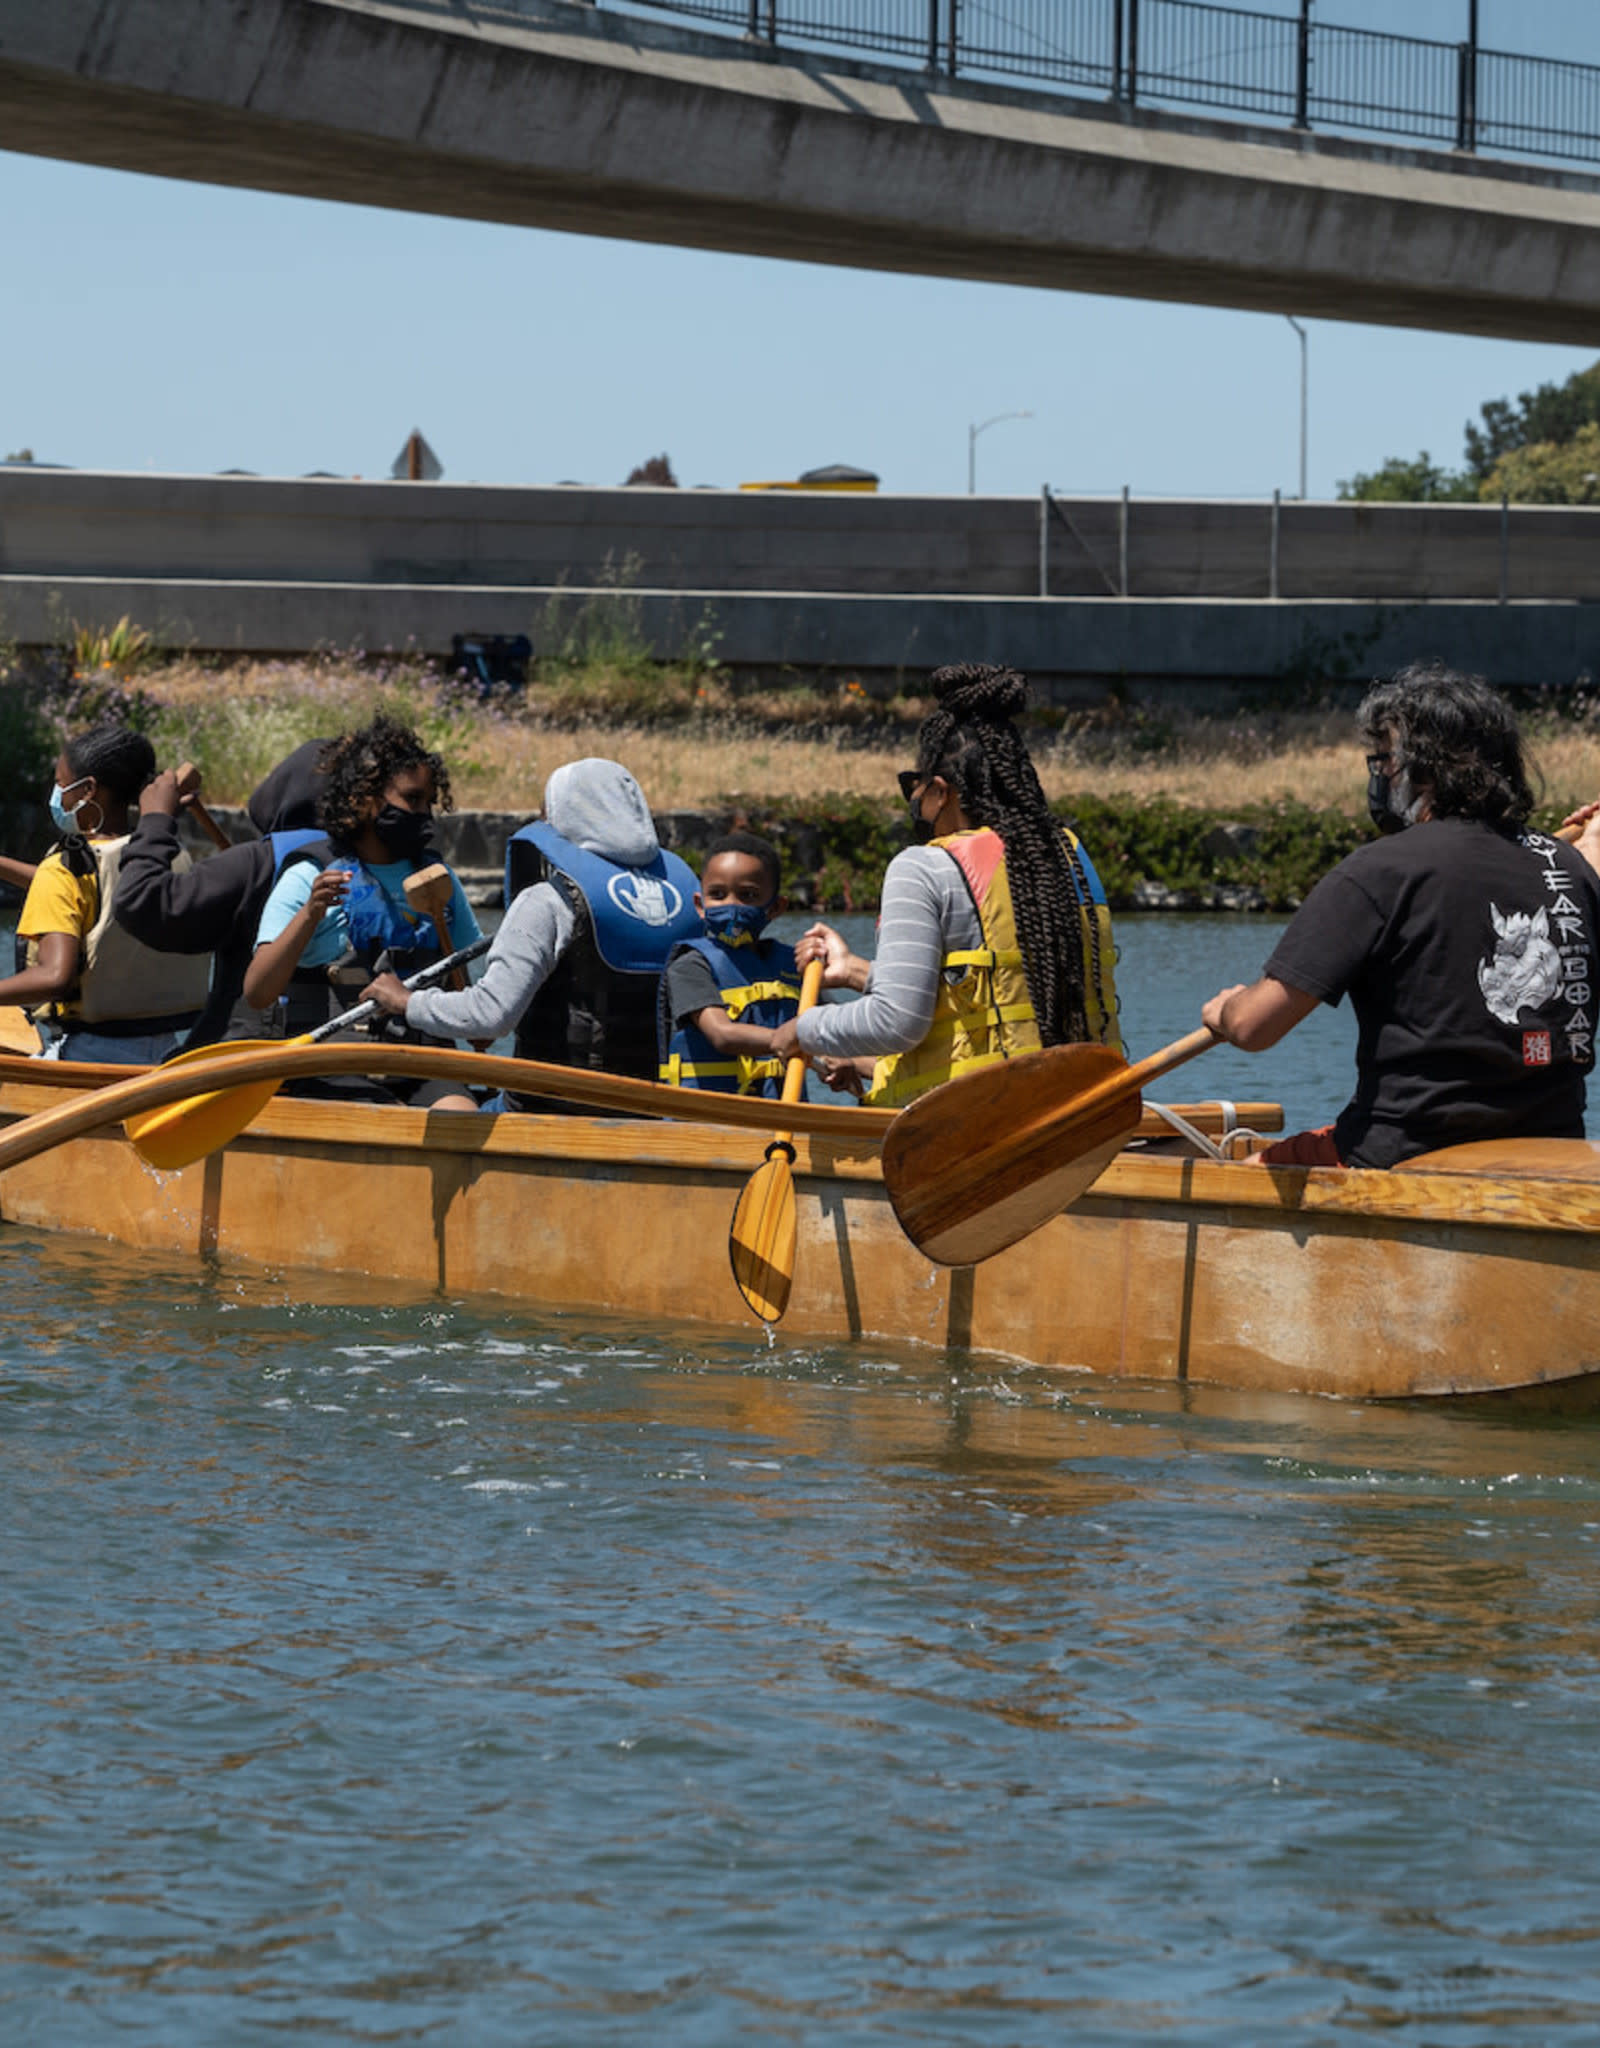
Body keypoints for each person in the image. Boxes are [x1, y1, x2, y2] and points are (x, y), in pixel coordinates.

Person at [1201, 662, 1600, 1169]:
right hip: (1553, 1153)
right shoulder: (1569, 869)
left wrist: (1226, 1012)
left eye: (1385, 759)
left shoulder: (1378, 871)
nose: (1381, 774)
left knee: (1245, 1172)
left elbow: (1256, 1028)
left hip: (1403, 1154)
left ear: (1422, 768)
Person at [771, 662, 1121, 1104]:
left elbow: (895, 1022)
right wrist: (858, 973)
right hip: (1079, 1106)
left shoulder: (920, 867)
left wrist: (801, 1031)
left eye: (912, 787)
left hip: (968, 1124)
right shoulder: (1067, 854)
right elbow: (984, 993)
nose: (913, 801)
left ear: (940, 791)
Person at [362, 757, 700, 1111]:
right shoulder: (688, 898)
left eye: (546, 811)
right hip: (654, 1109)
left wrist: (405, 1001)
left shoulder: (548, 901)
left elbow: (491, 1016)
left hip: (552, 1111)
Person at [243, 715, 483, 1109]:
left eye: (429, 802)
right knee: (381, 1117)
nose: (424, 814)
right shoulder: (310, 876)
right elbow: (257, 992)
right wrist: (311, 913)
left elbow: (474, 1020)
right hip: (333, 1068)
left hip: (423, 1064)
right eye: (412, 799)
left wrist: (476, 1021)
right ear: (363, 799)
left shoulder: (438, 882)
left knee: (460, 1112)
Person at [0, 724, 210, 1063]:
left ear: (88, 790)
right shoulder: (161, 852)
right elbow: (87, 891)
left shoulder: (66, 867)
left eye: (60, 784)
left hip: (89, 1054)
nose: (56, 796)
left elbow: (55, 976)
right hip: (167, 1053)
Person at [112, 736, 329, 1047]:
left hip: (244, 1058)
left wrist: (155, 821)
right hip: (345, 1049)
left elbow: (142, 903)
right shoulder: (380, 858)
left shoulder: (257, 862)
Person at [657, 832, 802, 1094]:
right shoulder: (690, 966)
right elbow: (721, 1034)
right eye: (718, 894)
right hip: (711, 1118)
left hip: (781, 1118)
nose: (732, 906)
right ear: (700, 905)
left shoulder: (795, 966)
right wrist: (796, 1040)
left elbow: (836, 1028)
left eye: (748, 895)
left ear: (776, 907)